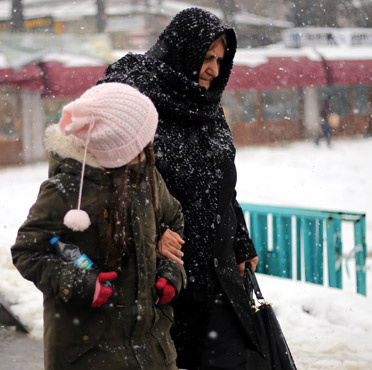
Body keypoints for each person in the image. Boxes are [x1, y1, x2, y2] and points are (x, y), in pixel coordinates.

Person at [99, 8, 269, 370]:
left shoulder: (207, 107)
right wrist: (152, 234)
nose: (213, 70)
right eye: (206, 58)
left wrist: (240, 241)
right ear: (182, 52)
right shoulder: (135, 103)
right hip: (162, 281)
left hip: (219, 276)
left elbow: (222, 185)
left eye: (220, 60)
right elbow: (108, 189)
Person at [10, 83, 186, 369]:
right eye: (140, 139)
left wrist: (170, 270)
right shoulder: (67, 189)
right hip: (88, 353)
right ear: (117, 148)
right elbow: (28, 251)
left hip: (153, 350)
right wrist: (79, 284)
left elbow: (174, 217)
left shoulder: (144, 175)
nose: (149, 144)